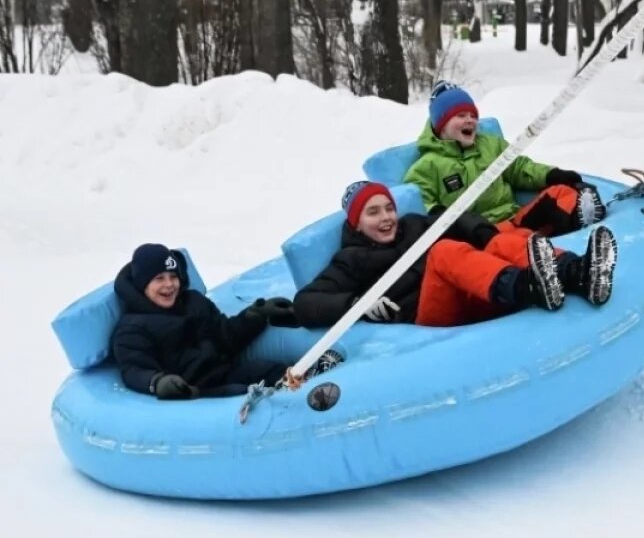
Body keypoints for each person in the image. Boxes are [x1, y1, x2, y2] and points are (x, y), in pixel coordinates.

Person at [293, 180, 617, 328]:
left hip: (473, 294)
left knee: (498, 240)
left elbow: (455, 216)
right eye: (373, 213)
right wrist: (356, 304)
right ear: (356, 223)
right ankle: (529, 286)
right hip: (427, 316)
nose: (387, 218)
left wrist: (483, 233)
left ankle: (577, 272)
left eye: (389, 208)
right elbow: (306, 303)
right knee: (444, 252)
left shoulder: (413, 225)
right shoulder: (350, 259)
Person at [110, 243, 341, 400]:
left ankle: (318, 377)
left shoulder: (193, 301)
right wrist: (158, 382)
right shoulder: (132, 328)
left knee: (268, 370)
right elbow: (134, 369)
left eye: (173, 277)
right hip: (197, 391)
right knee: (246, 394)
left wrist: (257, 315)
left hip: (226, 370)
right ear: (143, 285)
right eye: (159, 279)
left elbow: (223, 335)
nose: (170, 285)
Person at [402, 81, 606, 237]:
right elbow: (423, 205)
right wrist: (448, 220)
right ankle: (549, 244)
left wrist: (551, 174)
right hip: (482, 235)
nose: (470, 120)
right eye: (460, 115)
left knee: (560, 192)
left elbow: (519, 168)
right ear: (441, 124)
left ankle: (579, 224)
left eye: (473, 115)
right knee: (508, 243)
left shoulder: (491, 145)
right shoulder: (427, 166)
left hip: (515, 219)